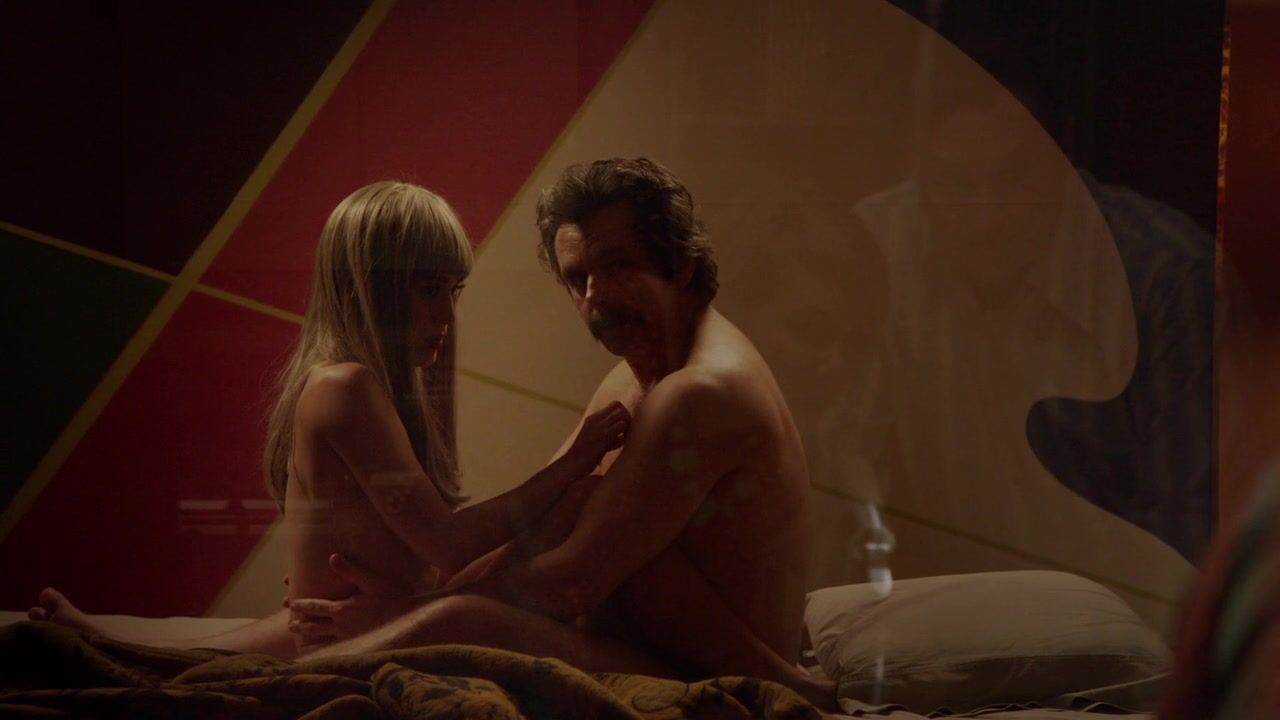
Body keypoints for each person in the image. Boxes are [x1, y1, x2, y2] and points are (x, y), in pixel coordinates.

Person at [289, 158, 830, 706]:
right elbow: (536, 528)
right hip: (645, 643)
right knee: (561, 516)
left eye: (617, 267)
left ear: (682, 266)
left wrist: (406, 616)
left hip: (714, 668)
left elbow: (570, 582)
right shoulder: (631, 378)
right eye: (577, 278)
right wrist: (413, 606)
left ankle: (299, 677)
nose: (595, 296)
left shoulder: (699, 392)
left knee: (461, 620)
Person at [29, 180, 631, 658]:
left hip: (342, 627)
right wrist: (568, 466)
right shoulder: (345, 387)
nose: (448, 316)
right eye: (429, 288)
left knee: (570, 510)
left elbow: (369, 587)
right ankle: (113, 649)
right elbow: (447, 546)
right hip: (348, 644)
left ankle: (114, 646)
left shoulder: (366, 388)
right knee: (571, 505)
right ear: (370, 288)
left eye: (455, 290)